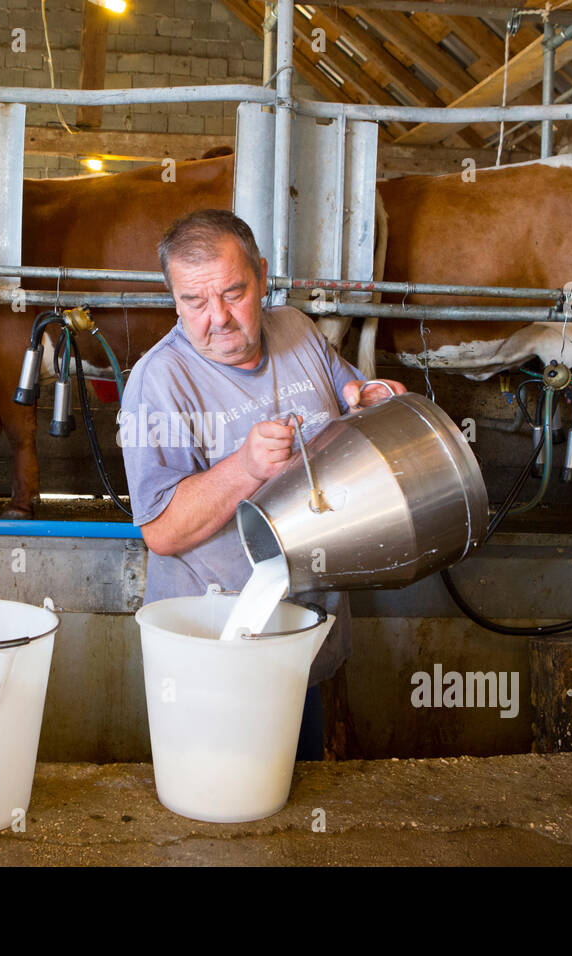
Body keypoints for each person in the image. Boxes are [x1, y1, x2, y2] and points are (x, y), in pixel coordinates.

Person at [118, 209, 403, 759]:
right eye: (193, 302)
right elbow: (162, 531)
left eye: (232, 293)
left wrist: (370, 401)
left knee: (295, 806)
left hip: (304, 633)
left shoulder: (296, 329)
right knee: (222, 807)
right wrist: (246, 467)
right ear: (173, 298)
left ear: (262, 276)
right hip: (221, 645)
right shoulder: (160, 383)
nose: (216, 319)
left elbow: (351, 397)